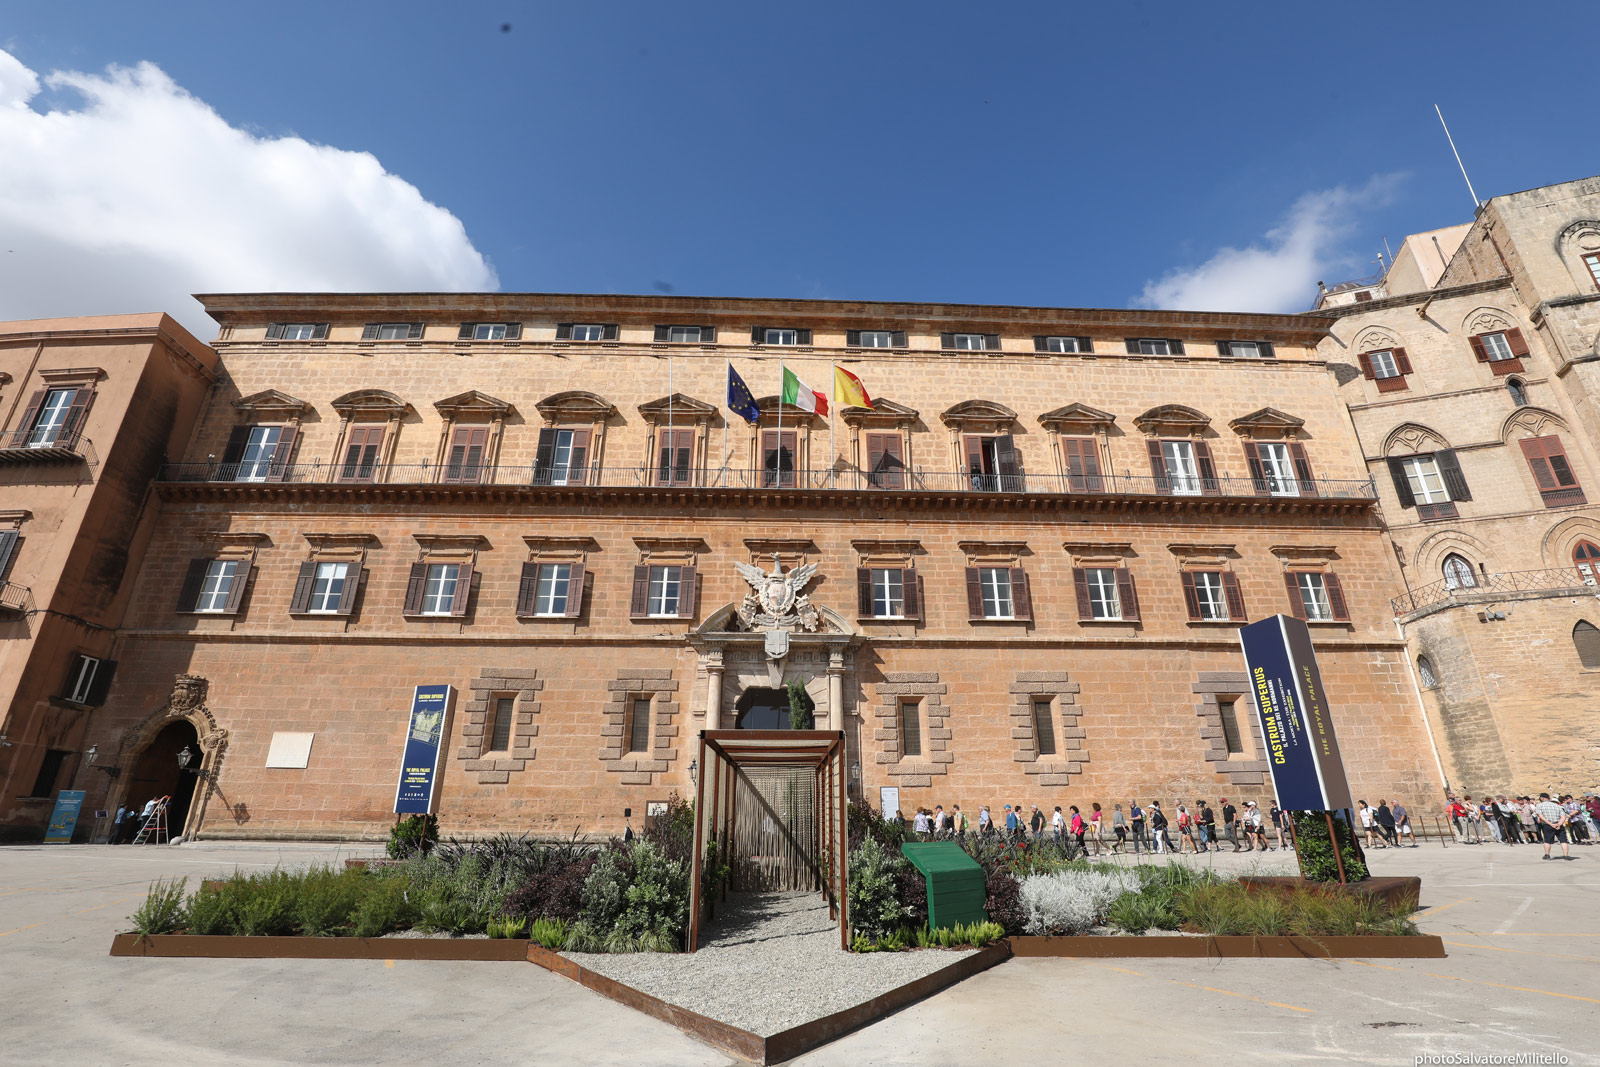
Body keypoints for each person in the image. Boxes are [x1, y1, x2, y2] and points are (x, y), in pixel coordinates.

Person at [1533, 792, 1572, 861]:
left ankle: (1547, 855)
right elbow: (1563, 816)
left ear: (1542, 798)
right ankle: (1566, 856)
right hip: (1558, 824)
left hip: (1548, 825)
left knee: (1547, 841)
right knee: (1563, 840)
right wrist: (1559, 824)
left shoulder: (1539, 805)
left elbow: (1541, 816)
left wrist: (1550, 824)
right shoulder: (1557, 806)